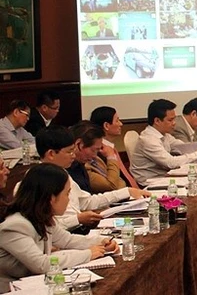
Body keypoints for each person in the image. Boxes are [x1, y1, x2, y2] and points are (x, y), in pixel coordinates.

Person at [0, 163, 116, 291]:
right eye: (67, 194)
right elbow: (42, 264)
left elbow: (67, 240)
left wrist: (101, 241)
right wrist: (88, 254)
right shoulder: (15, 226)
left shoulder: (40, 217)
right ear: (51, 198)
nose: (68, 200)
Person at [34, 127, 147, 231]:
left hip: (77, 232)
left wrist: (127, 192)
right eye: (69, 151)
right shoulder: (36, 181)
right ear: (51, 154)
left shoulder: (63, 173)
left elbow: (86, 202)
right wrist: (78, 219)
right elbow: (46, 227)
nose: (73, 155)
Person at [130, 99, 197, 186]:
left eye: (174, 119)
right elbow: (171, 163)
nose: (174, 123)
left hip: (163, 177)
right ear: (157, 121)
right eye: (170, 120)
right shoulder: (148, 140)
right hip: (150, 182)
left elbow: (183, 146)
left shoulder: (165, 135)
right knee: (196, 183)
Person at [88, 106, 139, 189]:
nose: (121, 124)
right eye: (117, 120)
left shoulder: (109, 147)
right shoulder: (100, 152)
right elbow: (111, 184)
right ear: (106, 125)